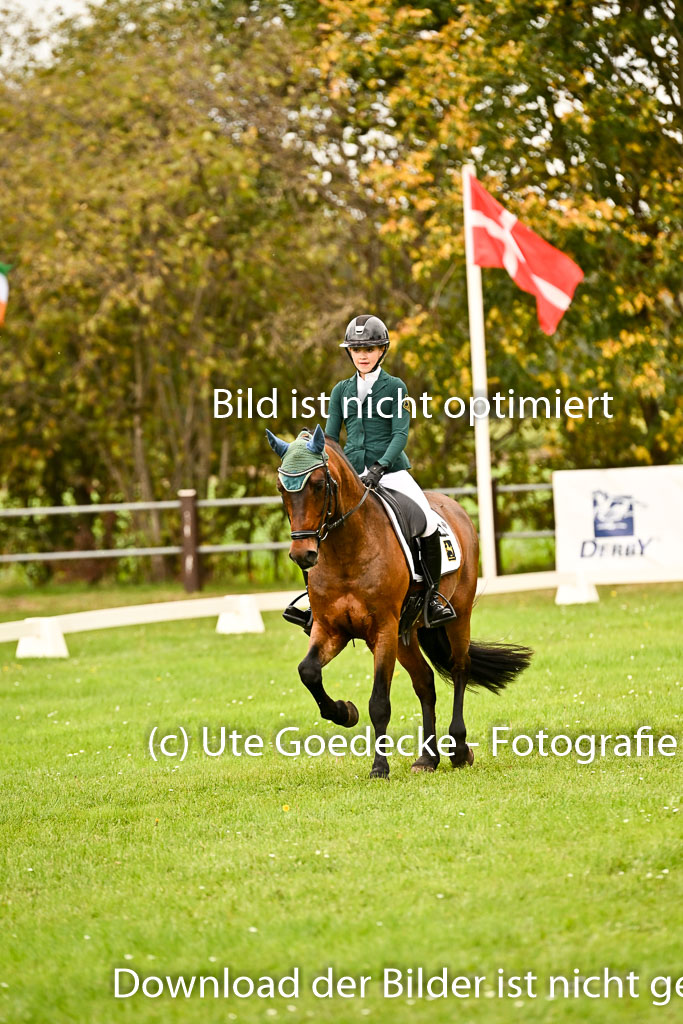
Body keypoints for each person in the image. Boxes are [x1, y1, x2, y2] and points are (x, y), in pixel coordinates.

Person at [325, 313, 456, 628]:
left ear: (382, 350)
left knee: (427, 522)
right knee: (322, 523)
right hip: (353, 474)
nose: (363, 355)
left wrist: (381, 465)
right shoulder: (341, 390)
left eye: (369, 348)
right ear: (349, 352)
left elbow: (400, 434)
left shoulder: (396, 387)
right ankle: (315, 599)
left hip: (391, 470)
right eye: (357, 349)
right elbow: (330, 437)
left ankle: (433, 597)